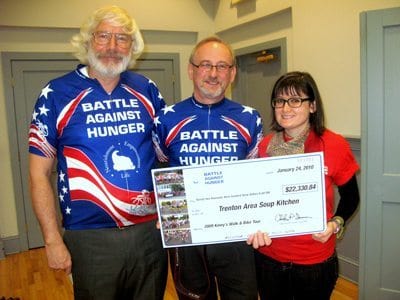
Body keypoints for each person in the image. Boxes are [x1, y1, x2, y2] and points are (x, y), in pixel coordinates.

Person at [28, 5, 167, 299]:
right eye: (104, 36)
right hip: (89, 237)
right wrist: (52, 240)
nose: (113, 47)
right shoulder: (56, 93)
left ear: (133, 46)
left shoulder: (147, 89)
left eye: (123, 38)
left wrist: (172, 213)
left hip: (148, 233)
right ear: (89, 40)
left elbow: (166, 155)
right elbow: (38, 173)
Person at [152, 36, 263, 300]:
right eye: (205, 65)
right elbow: (160, 165)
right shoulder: (165, 118)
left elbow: (255, 174)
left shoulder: (250, 117)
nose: (213, 74)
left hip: (236, 231)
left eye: (222, 66)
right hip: (184, 231)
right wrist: (165, 209)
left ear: (232, 73)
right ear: (191, 69)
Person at [246, 71, 360, 300]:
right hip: (269, 257)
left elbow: (351, 197)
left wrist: (335, 224)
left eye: (295, 100)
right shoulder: (265, 146)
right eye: (279, 101)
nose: (285, 108)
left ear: (312, 106)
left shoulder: (334, 144)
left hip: (314, 260)